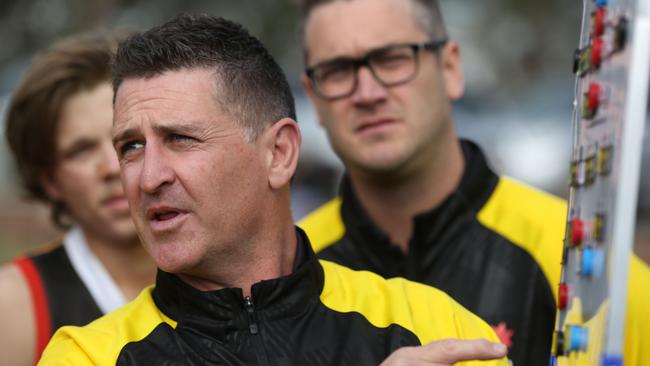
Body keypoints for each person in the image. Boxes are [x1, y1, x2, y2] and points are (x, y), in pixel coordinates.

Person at [39, 14, 508, 366]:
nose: (148, 177)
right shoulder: (86, 355)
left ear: (279, 153)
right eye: (132, 146)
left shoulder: (430, 325)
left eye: (180, 139)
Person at [296, 0, 650, 365]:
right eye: (337, 70)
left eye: (392, 59)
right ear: (313, 98)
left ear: (450, 67)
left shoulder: (587, 265)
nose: (367, 93)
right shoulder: (285, 273)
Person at [0, 31, 157, 365]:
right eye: (81, 151)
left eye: (127, 140)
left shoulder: (235, 270)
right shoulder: (16, 304)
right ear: (49, 179)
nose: (112, 166)